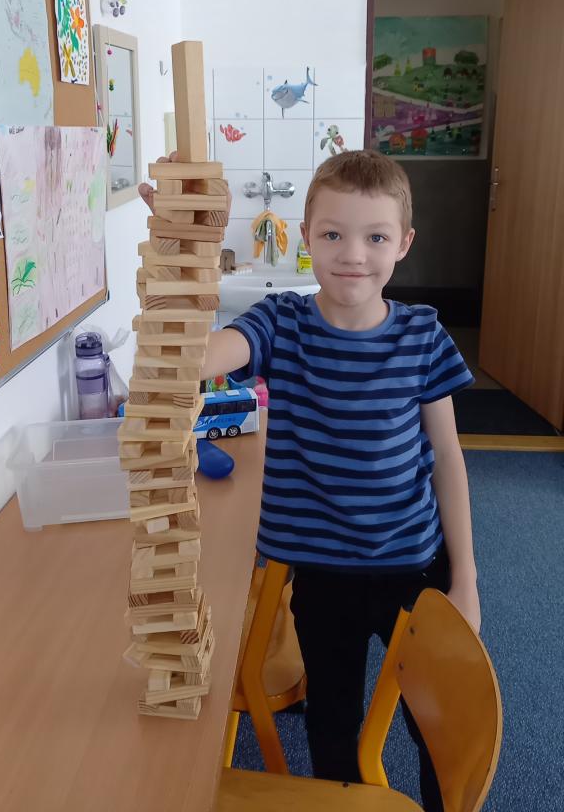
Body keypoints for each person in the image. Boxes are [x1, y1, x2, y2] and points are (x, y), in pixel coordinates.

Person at [139, 149, 480, 810]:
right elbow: (193, 358)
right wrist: (184, 253)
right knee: (331, 725)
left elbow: (448, 457)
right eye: (332, 234)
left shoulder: (422, 335)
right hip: (322, 577)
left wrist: (464, 578)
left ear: (404, 244)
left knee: (437, 722)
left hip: (414, 566)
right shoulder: (281, 322)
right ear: (305, 237)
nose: (353, 254)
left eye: (375, 237)